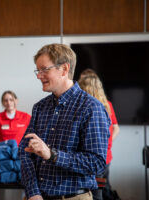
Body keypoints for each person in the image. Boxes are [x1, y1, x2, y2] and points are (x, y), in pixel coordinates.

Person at [18, 44, 111, 200]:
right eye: (38, 70)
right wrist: (33, 192)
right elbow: (24, 152)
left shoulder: (91, 108)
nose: (38, 76)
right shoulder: (40, 107)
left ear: (64, 69)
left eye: (44, 69)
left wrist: (52, 155)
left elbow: (97, 163)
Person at [78, 71, 120, 200]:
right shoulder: (106, 105)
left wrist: (106, 144)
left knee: (95, 192)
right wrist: (106, 144)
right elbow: (115, 128)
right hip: (105, 156)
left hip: (92, 157)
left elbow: (115, 128)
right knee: (101, 190)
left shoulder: (86, 106)